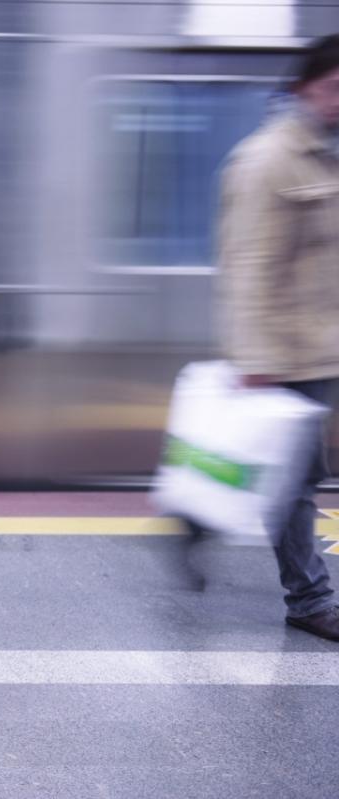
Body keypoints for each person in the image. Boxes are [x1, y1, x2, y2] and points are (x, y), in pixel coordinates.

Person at [213, 33, 339, 641]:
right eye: (334, 87)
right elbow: (251, 264)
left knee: (295, 479)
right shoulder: (268, 161)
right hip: (286, 357)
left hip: (321, 349)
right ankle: (310, 599)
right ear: (301, 88)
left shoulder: (323, 157)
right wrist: (255, 357)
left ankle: (195, 518)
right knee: (294, 484)